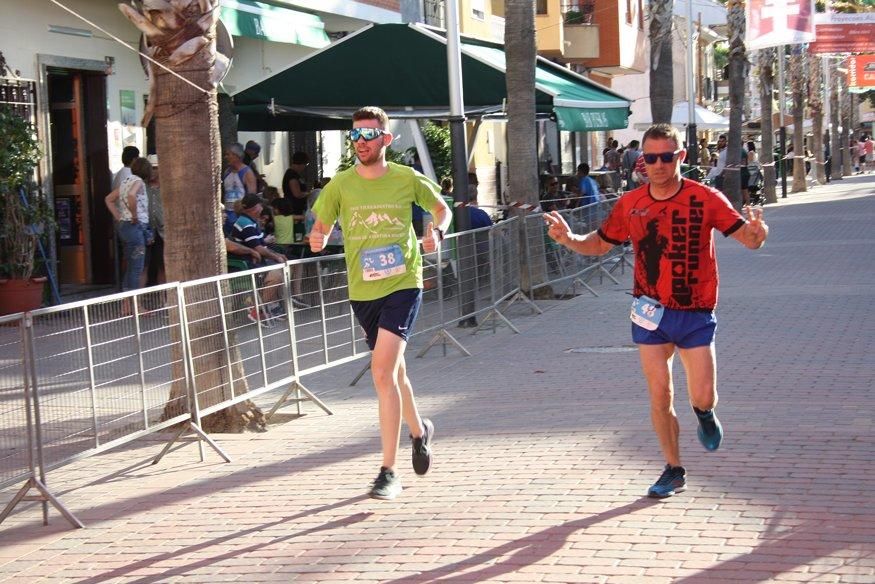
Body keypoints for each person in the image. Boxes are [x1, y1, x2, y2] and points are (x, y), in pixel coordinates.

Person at [543, 123, 769, 499]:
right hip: (650, 313)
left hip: (695, 311)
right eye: (651, 158)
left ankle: (704, 414)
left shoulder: (706, 197)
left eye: (667, 156)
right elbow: (600, 244)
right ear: (642, 161)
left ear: (681, 156)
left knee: (702, 395)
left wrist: (759, 233)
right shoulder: (630, 204)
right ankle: (673, 468)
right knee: (659, 395)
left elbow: (747, 238)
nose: (659, 165)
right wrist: (569, 239)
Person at [309, 106, 451, 500]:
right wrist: (317, 237)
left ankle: (388, 471)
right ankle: (420, 431)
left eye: (368, 135)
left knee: (381, 372)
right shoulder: (340, 184)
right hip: (363, 290)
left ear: (385, 139)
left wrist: (436, 232)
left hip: (404, 284)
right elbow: (321, 226)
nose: (360, 143)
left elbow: (443, 209)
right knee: (395, 374)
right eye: (354, 136)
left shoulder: (407, 178)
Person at [230, 193, 288, 323]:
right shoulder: (245, 224)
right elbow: (259, 249)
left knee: (281, 268)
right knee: (277, 276)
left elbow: (261, 246)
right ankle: (260, 310)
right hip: (248, 265)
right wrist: (276, 257)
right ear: (255, 208)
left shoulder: (250, 222)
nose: (262, 208)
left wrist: (277, 255)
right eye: (260, 205)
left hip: (254, 263)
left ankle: (272, 306)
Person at [105, 157, 153, 293]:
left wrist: (119, 217)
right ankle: (135, 304)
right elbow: (132, 195)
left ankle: (127, 304)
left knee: (131, 266)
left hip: (124, 227)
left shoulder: (126, 181)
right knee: (137, 267)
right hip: (136, 227)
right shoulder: (138, 182)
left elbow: (109, 199)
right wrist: (134, 215)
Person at [223, 143, 257, 212]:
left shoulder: (247, 173)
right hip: (227, 213)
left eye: (228, 154)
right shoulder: (227, 172)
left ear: (236, 155)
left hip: (241, 214)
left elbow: (252, 197)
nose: (225, 157)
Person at [282, 151, 311, 216]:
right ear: (301, 163)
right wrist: (309, 193)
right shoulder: (292, 175)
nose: (305, 167)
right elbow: (297, 194)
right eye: (305, 164)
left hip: (297, 208)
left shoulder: (295, 174)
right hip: (294, 209)